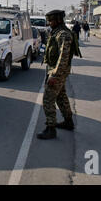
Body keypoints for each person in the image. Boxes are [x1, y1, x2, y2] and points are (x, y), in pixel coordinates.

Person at [37, 10, 81, 140]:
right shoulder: (57, 32)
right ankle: (68, 122)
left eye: (51, 20)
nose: (49, 23)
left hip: (57, 72)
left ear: (58, 20)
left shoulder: (63, 35)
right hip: (56, 70)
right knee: (61, 97)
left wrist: (55, 76)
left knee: (47, 100)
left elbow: (63, 58)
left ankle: (51, 129)